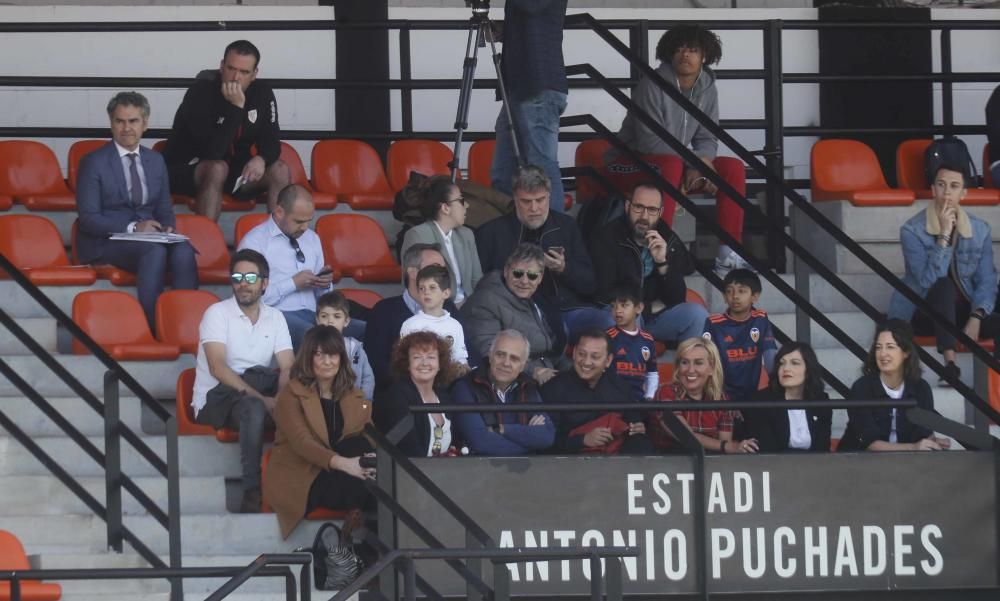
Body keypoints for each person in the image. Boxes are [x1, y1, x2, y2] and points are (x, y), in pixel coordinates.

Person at [607, 24, 749, 275]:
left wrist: (701, 161)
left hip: (673, 167)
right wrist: (693, 163)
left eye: (693, 50)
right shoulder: (652, 84)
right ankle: (660, 251)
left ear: (704, 55)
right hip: (628, 163)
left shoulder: (707, 87)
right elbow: (649, 142)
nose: (686, 55)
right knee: (671, 165)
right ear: (670, 53)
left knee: (732, 168)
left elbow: (708, 137)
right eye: (680, 49)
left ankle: (728, 255)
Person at [76, 91, 198, 329]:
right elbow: (89, 219)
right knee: (154, 252)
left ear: (145, 124)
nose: (126, 128)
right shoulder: (93, 162)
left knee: (184, 251)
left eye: (133, 121)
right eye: (119, 121)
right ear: (111, 123)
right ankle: (153, 328)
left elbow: (164, 207)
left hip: (148, 237)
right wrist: (134, 227)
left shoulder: (155, 160)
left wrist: (167, 226)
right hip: (105, 241)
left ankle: (186, 327)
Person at [191, 249, 294, 512]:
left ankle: (296, 486)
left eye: (250, 276)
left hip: (259, 388)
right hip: (217, 397)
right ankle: (252, 490)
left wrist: (281, 398)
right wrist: (265, 401)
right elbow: (218, 368)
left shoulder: (276, 316)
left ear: (265, 283)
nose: (243, 283)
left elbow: (287, 366)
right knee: (254, 408)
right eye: (237, 277)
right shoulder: (217, 312)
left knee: (302, 400)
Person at [887, 163, 1000, 385]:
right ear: (932, 189)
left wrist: (977, 316)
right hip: (923, 312)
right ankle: (949, 364)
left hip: (963, 314)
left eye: (954, 186)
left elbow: (986, 280)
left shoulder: (980, 229)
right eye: (941, 185)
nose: (947, 192)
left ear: (964, 193)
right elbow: (926, 280)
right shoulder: (912, 230)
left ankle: (995, 379)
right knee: (943, 286)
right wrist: (944, 236)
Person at [263, 326, 375, 539]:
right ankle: (360, 550)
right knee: (374, 491)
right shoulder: (291, 394)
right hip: (305, 473)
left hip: (346, 475)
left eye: (333, 354)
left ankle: (360, 547)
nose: (327, 361)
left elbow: (369, 434)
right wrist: (347, 464)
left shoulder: (353, 394)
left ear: (341, 358)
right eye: (319, 354)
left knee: (361, 448)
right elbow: (302, 443)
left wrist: (369, 458)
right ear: (308, 357)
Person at [476, 166, 608, 341]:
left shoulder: (566, 226)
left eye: (540, 200)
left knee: (608, 321)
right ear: (515, 199)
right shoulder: (491, 232)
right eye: (526, 201)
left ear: (549, 197)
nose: (534, 208)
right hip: (514, 314)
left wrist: (564, 268)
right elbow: (481, 287)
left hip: (565, 310)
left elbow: (590, 284)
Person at [163, 40, 290, 220]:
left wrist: (262, 158)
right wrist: (236, 107)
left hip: (232, 170)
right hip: (188, 168)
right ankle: (207, 244)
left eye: (244, 72)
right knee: (217, 168)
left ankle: (279, 242)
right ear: (222, 66)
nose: (235, 77)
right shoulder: (200, 91)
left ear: (254, 74)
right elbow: (212, 152)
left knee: (279, 169)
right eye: (231, 68)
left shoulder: (262, 92)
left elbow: (272, 141)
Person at [590, 182, 708, 345]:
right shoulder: (607, 237)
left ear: (660, 212)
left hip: (655, 316)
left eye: (652, 210)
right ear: (627, 206)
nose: (644, 216)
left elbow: (677, 297)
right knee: (629, 317)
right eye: (638, 207)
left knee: (697, 314)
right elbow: (604, 293)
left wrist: (662, 261)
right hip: (620, 313)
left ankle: (691, 368)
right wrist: (647, 308)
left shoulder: (665, 236)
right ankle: (632, 369)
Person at [491, 0, 569, 212]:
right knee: (504, 169)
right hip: (520, 87)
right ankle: (509, 228)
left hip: (538, 86)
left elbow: (530, 6)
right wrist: (506, 29)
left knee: (541, 166)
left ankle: (553, 233)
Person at [238, 184, 334, 351]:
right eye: (298, 221)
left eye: (308, 221)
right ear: (279, 212)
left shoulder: (312, 238)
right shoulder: (255, 242)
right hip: (274, 315)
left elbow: (323, 296)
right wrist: (293, 283)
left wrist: (324, 284)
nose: (305, 228)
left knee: (365, 330)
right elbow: (248, 297)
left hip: (315, 314)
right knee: (315, 337)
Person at [462, 243, 568, 386]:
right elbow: (488, 352)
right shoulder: (485, 301)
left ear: (540, 278)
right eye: (518, 273)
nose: (524, 281)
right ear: (506, 271)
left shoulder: (534, 297)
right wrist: (534, 371)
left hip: (549, 366)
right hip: (516, 380)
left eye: (532, 275)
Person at [838, 320, 952, 452]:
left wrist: (932, 441)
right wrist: (913, 447)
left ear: (906, 352)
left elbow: (922, 433)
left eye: (890, 347)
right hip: (861, 464)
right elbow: (869, 442)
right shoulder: (861, 388)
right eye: (879, 347)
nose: (882, 353)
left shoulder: (921, 388)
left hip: (907, 466)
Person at [364, 243, 463, 390]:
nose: (442, 273)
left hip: (450, 389)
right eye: (435, 267)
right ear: (413, 272)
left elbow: (467, 352)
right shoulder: (384, 311)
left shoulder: (448, 308)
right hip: (405, 393)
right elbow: (377, 365)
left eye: (443, 269)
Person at [541, 329, 651, 455]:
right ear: (574, 353)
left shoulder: (620, 386)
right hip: (570, 464)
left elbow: (634, 422)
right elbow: (544, 442)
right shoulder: (553, 388)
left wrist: (638, 428)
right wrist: (582, 440)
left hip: (615, 463)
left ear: (608, 360)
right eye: (581, 354)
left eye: (595, 356)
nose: (586, 362)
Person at [453, 330, 555, 455]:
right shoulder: (466, 386)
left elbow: (547, 436)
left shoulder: (527, 386)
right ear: (490, 356)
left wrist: (501, 430)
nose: (506, 363)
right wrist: (529, 443)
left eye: (514, 358)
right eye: (500, 355)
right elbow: (481, 442)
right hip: (479, 470)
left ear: (523, 366)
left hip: (524, 471)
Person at [654, 337, 758, 454]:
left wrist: (732, 447)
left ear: (712, 368)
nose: (690, 370)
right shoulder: (666, 392)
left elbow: (723, 449)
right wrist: (731, 446)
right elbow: (686, 436)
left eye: (698, 363)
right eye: (684, 362)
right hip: (669, 464)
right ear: (678, 367)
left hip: (709, 464)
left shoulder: (721, 399)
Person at [399, 175, 483, 306]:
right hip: (435, 309)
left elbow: (476, 280)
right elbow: (413, 285)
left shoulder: (466, 234)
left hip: (468, 307)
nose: (467, 205)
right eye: (461, 200)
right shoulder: (417, 235)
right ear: (445, 208)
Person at [377, 331, 461, 457]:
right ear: (407, 364)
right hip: (411, 474)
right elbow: (408, 449)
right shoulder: (397, 396)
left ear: (440, 364)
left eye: (431, 357)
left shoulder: (444, 396)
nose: (424, 363)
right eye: (417, 357)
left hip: (445, 472)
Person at [741, 342, 832, 453]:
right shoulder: (761, 401)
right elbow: (767, 450)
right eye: (781, 363)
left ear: (808, 370)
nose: (786, 368)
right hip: (775, 468)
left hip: (813, 467)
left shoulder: (821, 400)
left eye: (795, 363)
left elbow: (822, 449)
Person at [703, 268, 776, 401]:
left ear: (754, 296)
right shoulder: (713, 323)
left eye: (742, 291)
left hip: (752, 395)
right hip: (722, 396)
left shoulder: (760, 319)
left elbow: (770, 354)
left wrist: (777, 387)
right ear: (725, 297)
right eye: (729, 291)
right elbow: (706, 360)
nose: (735, 296)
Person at [399, 265, 470, 368]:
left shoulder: (455, 325)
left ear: (446, 293)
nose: (426, 292)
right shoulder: (410, 324)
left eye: (432, 287)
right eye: (422, 288)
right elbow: (403, 359)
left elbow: (460, 359)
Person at [316, 291, 374, 401]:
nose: (330, 321)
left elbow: (368, 378)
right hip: (320, 404)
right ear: (317, 320)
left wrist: (364, 401)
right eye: (324, 316)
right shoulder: (311, 347)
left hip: (354, 404)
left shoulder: (355, 347)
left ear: (346, 321)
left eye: (337, 316)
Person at [606, 286, 659, 402]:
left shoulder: (648, 339)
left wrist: (649, 397)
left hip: (639, 402)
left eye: (624, 305)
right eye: (613, 306)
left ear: (639, 308)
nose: (617, 310)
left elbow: (652, 373)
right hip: (613, 401)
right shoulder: (607, 337)